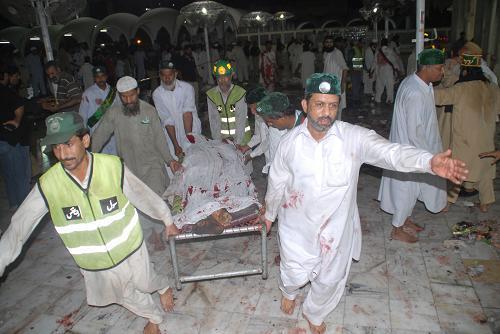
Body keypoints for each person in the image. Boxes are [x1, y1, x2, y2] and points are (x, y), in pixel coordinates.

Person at [262, 72, 468, 334]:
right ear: (305, 105)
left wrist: (428, 162)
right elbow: (277, 182)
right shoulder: (289, 144)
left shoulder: (353, 138)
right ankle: (288, 292)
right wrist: (269, 214)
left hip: (335, 230)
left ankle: (315, 312)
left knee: (330, 278)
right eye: (319, 104)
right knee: (293, 272)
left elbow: (390, 153)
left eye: (333, 105)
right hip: (296, 227)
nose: (326, 112)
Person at [0, 112, 180, 334]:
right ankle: (153, 317)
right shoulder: (49, 185)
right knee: (123, 296)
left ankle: (162, 286)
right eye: (56, 148)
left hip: (130, 247)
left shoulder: (111, 166)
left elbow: (142, 194)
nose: (63, 154)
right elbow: (19, 226)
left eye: (68, 144)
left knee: (145, 282)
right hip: (94, 261)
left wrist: (167, 218)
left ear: (85, 140)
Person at [378, 49, 448, 243]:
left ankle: (405, 219)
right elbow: (414, 131)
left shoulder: (420, 83)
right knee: (405, 189)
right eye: (439, 68)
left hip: (418, 148)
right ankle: (397, 228)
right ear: (426, 68)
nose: (442, 72)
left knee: (413, 188)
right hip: (412, 150)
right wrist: (428, 159)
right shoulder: (415, 92)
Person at [434, 47, 500, 212]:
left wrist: (423, 86)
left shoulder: (462, 89)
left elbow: (439, 97)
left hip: (465, 141)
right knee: (484, 172)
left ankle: (447, 203)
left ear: (465, 71)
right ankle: (485, 203)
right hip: (486, 141)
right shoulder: (493, 88)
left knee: (458, 172)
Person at [91, 76, 182, 195]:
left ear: (138, 91)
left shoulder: (149, 111)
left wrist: (170, 160)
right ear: (119, 95)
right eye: (124, 96)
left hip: (152, 167)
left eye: (131, 95)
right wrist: (88, 158)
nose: (128, 100)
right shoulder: (113, 113)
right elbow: (99, 136)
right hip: (130, 170)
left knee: (157, 201)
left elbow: (159, 138)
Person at [152, 61, 202, 159]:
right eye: (163, 75)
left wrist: (188, 139)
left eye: (170, 75)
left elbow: (187, 113)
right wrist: (175, 144)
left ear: (175, 74)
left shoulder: (187, 88)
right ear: (160, 75)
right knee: (175, 163)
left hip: (190, 129)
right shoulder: (157, 94)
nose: (167, 78)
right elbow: (167, 120)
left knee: (195, 158)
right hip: (171, 134)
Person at [0, 64, 31, 211]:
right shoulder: (6, 92)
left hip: (1, 142)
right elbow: (20, 105)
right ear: (5, 76)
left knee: (8, 174)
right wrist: (17, 120)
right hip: (10, 140)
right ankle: (24, 208)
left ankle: (13, 204)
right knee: (20, 175)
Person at [207, 59, 252, 146]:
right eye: (219, 77)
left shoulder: (239, 93)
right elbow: (214, 121)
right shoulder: (212, 95)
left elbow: (240, 120)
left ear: (232, 75)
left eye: (225, 76)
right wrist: (218, 141)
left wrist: (237, 143)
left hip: (242, 141)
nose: (222, 80)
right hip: (224, 141)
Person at [236, 86, 277, 174]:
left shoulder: (276, 117)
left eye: (254, 108)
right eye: (250, 108)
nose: (252, 112)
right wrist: (246, 147)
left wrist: (251, 155)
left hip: (280, 159)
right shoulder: (258, 113)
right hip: (269, 158)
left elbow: (269, 141)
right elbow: (258, 135)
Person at [79, 66, 119, 155]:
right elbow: (82, 116)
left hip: (113, 133)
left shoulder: (113, 92)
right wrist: (84, 135)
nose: (100, 79)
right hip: (97, 133)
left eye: (102, 76)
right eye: (97, 77)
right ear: (94, 78)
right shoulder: (88, 94)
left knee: (115, 159)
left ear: (106, 76)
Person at [323, 36, 348, 119]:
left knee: (337, 107)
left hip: (337, 84)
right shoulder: (325, 53)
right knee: (329, 105)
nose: (329, 44)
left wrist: (342, 84)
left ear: (333, 43)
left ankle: (337, 125)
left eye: (331, 42)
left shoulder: (337, 53)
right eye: (327, 42)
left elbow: (345, 68)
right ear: (324, 44)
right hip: (327, 84)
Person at [372, 38, 403, 104]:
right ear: (387, 43)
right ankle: (389, 100)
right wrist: (398, 70)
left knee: (379, 86)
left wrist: (371, 72)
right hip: (388, 71)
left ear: (381, 43)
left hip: (380, 71)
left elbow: (374, 62)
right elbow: (394, 62)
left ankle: (377, 99)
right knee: (389, 86)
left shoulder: (378, 51)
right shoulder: (390, 51)